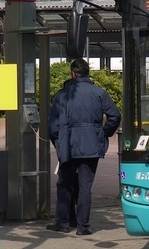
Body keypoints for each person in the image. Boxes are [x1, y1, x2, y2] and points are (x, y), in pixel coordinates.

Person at [47, 58, 121, 235]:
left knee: (65, 183)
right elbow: (115, 116)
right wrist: (103, 133)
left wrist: (58, 142)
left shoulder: (62, 95)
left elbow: (53, 126)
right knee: (85, 186)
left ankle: (63, 222)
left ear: (73, 74)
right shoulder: (99, 93)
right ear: (88, 73)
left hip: (68, 144)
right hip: (91, 144)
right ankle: (83, 226)